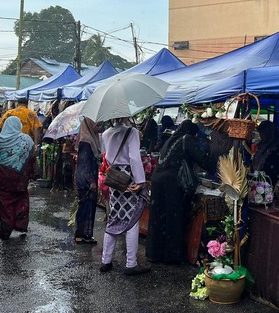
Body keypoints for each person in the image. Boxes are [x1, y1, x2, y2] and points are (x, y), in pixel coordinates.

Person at [146, 120, 217, 264]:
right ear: (191, 132)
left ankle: (154, 253)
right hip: (170, 184)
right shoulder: (187, 139)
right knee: (173, 218)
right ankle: (172, 256)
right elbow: (203, 160)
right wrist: (215, 158)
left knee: (158, 218)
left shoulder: (172, 138)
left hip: (157, 181)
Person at [99, 117, 150, 275]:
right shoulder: (132, 132)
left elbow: (105, 156)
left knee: (114, 217)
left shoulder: (106, 134)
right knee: (132, 219)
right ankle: (131, 263)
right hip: (129, 177)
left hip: (115, 178)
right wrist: (140, 181)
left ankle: (106, 260)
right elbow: (134, 157)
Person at [0, 116, 39, 240]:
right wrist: (34, 174)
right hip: (20, 178)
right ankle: (21, 225)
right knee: (22, 200)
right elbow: (32, 158)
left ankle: (5, 231)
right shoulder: (27, 140)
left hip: (2, 177)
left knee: (5, 204)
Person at [74, 118, 101, 245]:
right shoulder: (86, 141)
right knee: (85, 206)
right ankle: (80, 234)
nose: (99, 126)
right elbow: (85, 162)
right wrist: (91, 181)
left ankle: (87, 235)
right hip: (86, 178)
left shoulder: (92, 139)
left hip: (88, 177)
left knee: (89, 206)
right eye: (97, 124)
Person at [251, 120, 279, 186]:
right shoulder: (260, 145)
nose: (261, 135)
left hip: (273, 182)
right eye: (260, 133)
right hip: (259, 182)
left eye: (263, 133)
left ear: (268, 133)